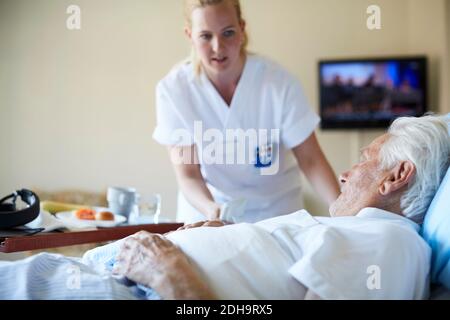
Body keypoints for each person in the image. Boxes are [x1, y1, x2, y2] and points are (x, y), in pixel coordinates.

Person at [1, 115, 446, 300]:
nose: (345, 175)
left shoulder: (390, 243)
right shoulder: (368, 235)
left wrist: (172, 275)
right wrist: (210, 238)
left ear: (395, 177)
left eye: (363, 159)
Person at [152, 0, 340, 223]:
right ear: (189, 35)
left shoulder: (278, 83)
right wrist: (212, 209)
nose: (218, 47)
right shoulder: (174, 91)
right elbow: (188, 174)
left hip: (277, 216)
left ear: (242, 29)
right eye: (205, 36)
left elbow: (311, 161)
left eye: (228, 33)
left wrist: (344, 211)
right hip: (207, 215)